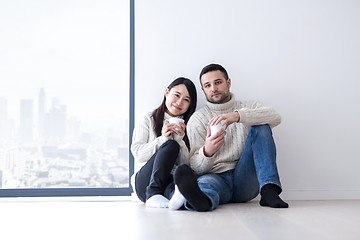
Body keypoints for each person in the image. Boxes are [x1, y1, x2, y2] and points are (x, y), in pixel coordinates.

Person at [171, 64, 288, 212]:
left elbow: (275, 117)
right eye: (207, 85)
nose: (213, 88)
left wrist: (237, 116)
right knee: (205, 184)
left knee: (261, 126)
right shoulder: (197, 119)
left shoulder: (250, 105)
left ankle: (269, 190)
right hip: (216, 177)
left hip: (246, 178)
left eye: (218, 82)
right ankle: (202, 201)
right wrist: (207, 151)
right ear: (203, 90)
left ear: (228, 82)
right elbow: (196, 167)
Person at [131, 77, 197, 208]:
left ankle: (183, 199)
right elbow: (138, 154)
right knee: (170, 145)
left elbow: (186, 166)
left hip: (169, 181)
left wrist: (180, 140)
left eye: (186, 100)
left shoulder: (190, 125)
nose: (179, 102)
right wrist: (163, 140)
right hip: (145, 183)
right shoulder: (148, 119)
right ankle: (153, 193)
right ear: (167, 92)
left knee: (178, 193)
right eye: (176, 95)